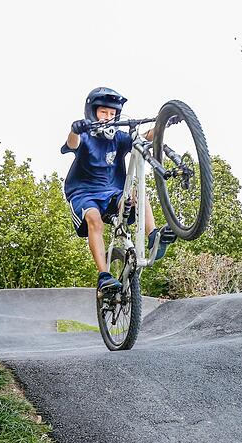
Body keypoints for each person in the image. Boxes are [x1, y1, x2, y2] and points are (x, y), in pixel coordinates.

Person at [61, 87, 175, 296]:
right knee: (94, 220)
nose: (108, 117)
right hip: (84, 193)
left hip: (113, 193)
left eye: (112, 114)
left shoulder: (118, 138)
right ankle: (104, 276)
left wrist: (163, 123)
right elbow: (72, 143)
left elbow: (144, 138)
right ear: (92, 112)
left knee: (138, 194)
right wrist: (75, 129)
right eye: (103, 112)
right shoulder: (85, 135)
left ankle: (153, 236)